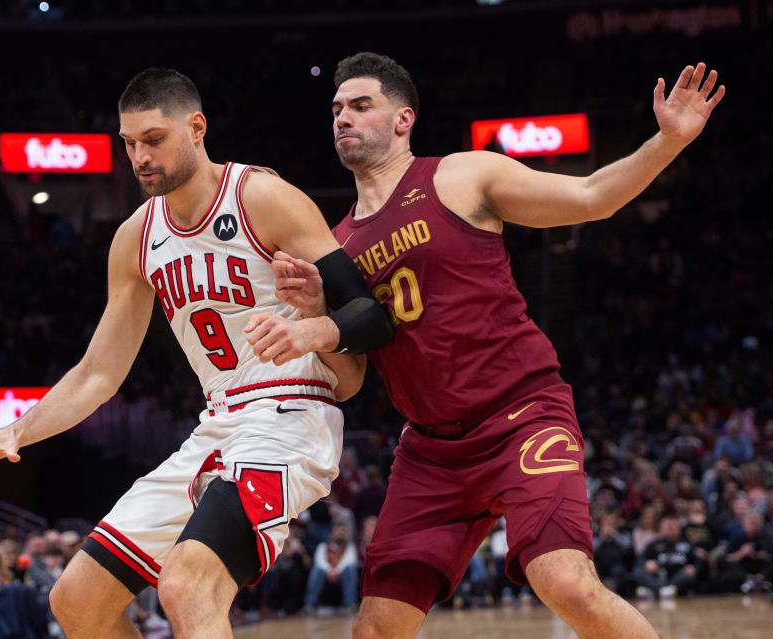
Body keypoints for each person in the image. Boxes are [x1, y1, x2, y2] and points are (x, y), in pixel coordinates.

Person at [260, 52, 724, 638]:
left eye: (360, 105)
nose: (342, 118)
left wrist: (667, 142)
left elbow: (590, 198)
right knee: (374, 629)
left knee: (565, 581)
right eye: (336, 109)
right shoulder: (336, 243)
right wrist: (313, 311)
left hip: (521, 417)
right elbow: (350, 380)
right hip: (431, 450)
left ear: (403, 118)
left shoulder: (461, 175)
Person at [0, 67, 392, 639]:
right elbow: (98, 371)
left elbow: (367, 318)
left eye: (154, 139)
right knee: (76, 601)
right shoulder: (135, 238)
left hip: (291, 414)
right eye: (129, 143)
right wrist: (18, 431)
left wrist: (315, 327)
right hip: (216, 423)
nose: (140, 156)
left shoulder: (261, 197)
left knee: (187, 585)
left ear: (196, 128)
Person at [303, 523, 359, 613]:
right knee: (316, 570)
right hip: (326, 578)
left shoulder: (350, 547)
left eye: (342, 531)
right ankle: (310, 603)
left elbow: (350, 560)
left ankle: (350, 604)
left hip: (342, 577)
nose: (339, 533)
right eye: (337, 531)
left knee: (350, 569)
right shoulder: (322, 546)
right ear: (331, 533)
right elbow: (319, 561)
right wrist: (330, 571)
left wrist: (336, 571)